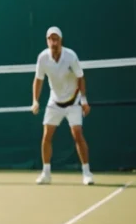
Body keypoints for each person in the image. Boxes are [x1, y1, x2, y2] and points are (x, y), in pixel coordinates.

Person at [32, 27, 92, 185]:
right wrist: (35, 100)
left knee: (77, 134)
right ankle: (46, 173)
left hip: (73, 101)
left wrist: (84, 100)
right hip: (55, 102)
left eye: (56, 39)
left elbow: (80, 77)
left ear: (61, 41)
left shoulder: (71, 56)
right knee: (46, 136)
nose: (53, 42)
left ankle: (87, 173)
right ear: (47, 41)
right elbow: (38, 80)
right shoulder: (42, 58)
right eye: (50, 39)